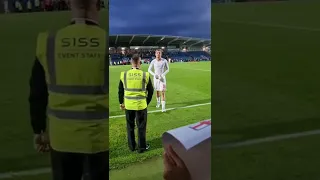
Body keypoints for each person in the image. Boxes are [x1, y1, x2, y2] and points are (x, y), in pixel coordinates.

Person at [28, 0, 108, 179]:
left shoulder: (49, 42)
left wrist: (39, 131)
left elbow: (37, 94)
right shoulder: (106, 43)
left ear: (69, 3)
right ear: (98, 5)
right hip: (100, 140)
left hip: (62, 139)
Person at [118, 54, 154, 153]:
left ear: (131, 63)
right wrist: (146, 102)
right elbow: (151, 91)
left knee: (130, 126)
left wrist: (121, 102)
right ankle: (141, 147)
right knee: (141, 127)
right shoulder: (145, 74)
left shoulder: (124, 74)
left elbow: (120, 90)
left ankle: (132, 146)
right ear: (140, 63)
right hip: (141, 105)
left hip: (128, 105)